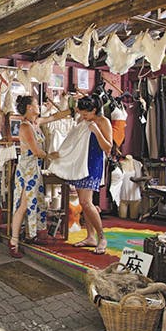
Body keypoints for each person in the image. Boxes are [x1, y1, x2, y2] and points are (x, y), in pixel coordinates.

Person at [9, 95, 71, 258]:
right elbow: (36, 151)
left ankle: (30, 235)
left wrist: (72, 109)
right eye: (36, 104)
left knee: (34, 203)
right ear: (29, 107)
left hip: (34, 169)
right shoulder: (25, 127)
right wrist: (51, 156)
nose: (39, 106)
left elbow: (54, 116)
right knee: (23, 205)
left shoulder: (35, 123)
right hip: (27, 169)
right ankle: (13, 242)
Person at [68, 94, 113, 255]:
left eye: (85, 113)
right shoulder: (83, 120)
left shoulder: (103, 122)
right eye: (81, 112)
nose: (83, 115)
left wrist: (96, 131)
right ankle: (90, 237)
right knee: (83, 202)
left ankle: (102, 237)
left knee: (86, 202)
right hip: (80, 163)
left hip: (93, 163)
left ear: (94, 110)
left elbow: (108, 147)